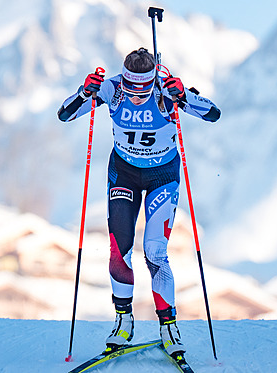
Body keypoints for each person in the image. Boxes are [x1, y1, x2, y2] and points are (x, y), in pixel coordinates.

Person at [57, 47, 220, 356]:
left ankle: (169, 326)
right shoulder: (113, 88)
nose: (135, 94)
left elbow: (213, 113)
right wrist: (84, 91)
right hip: (124, 174)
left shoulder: (165, 89)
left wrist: (183, 95)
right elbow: (65, 114)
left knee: (155, 251)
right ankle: (123, 322)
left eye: (142, 88)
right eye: (131, 87)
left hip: (162, 175)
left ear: (152, 79)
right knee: (119, 249)